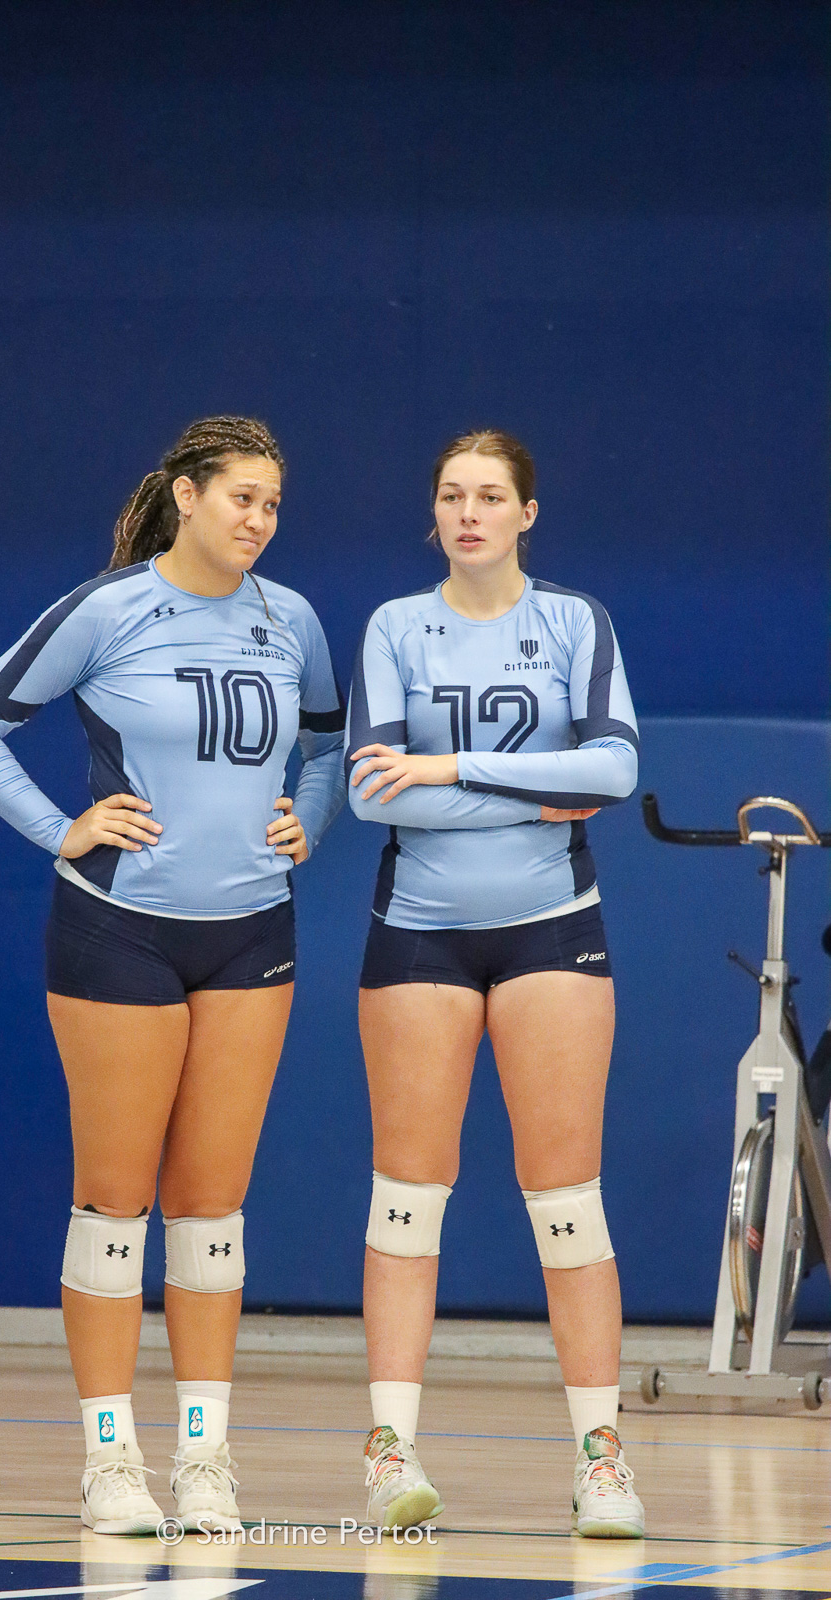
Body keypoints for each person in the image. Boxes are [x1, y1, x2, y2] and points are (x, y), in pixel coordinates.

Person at [0, 416, 346, 1536]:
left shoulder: (292, 619)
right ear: (185, 493)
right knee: (116, 1202)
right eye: (240, 497)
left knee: (212, 1212)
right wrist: (57, 826)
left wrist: (306, 819)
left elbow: (326, 742)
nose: (257, 520)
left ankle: (205, 1461)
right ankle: (109, 1461)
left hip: (252, 933)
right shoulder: (108, 607)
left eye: (272, 503)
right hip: (119, 932)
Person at [346, 429, 643, 1537]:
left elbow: (613, 768)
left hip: (548, 934)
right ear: (433, 515)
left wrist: (454, 766)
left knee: (567, 1205)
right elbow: (376, 792)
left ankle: (601, 1459)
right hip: (418, 935)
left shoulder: (574, 622)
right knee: (406, 1199)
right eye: (449, 495)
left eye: (489, 496)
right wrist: (533, 791)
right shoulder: (393, 626)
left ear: (527, 512)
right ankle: (388, 1452)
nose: (468, 512)